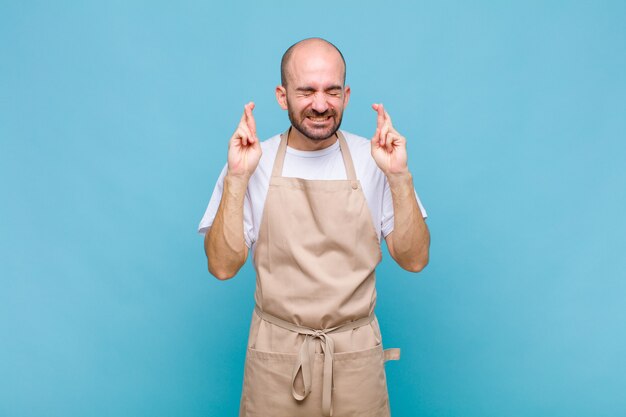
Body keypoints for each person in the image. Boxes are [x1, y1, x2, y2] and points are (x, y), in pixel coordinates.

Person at [198, 37, 430, 417]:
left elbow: (415, 259)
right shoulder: (253, 161)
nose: (320, 104)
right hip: (277, 359)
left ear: (347, 95)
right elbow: (222, 267)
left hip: (355, 359)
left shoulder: (376, 160)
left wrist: (400, 177)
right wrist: (237, 179)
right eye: (306, 91)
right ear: (282, 95)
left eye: (331, 91)